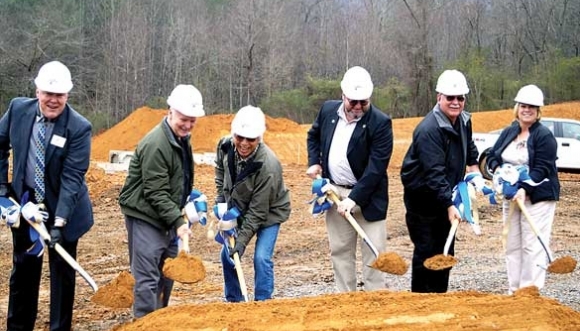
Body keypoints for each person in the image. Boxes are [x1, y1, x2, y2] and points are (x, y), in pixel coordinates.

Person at [0, 60, 94, 331]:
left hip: (64, 207)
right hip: (26, 206)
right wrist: (3, 191)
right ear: (37, 90)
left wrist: (59, 224)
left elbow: (71, 179)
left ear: (68, 95)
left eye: (60, 94)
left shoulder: (78, 127)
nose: (53, 100)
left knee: (62, 274)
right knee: (24, 270)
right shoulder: (18, 110)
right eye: (47, 93)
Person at [119, 84, 205, 318]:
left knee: (167, 272)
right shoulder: (156, 143)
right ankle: (144, 328)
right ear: (170, 111)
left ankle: (158, 320)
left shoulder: (180, 138)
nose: (187, 125)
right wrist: (178, 221)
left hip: (166, 213)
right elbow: (155, 191)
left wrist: (186, 200)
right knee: (147, 276)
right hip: (146, 215)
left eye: (192, 120)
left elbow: (177, 177)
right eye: (183, 119)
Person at [306, 66, 393, 292]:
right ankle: (345, 298)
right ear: (343, 95)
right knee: (340, 250)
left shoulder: (380, 123)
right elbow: (313, 135)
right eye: (353, 101)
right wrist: (314, 161)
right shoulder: (328, 111)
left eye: (362, 102)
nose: (357, 107)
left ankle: (374, 300)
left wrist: (354, 199)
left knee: (374, 251)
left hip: (368, 197)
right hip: (335, 193)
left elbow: (376, 168)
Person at [400, 69, 481, 293]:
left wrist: (474, 169)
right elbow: (434, 173)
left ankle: (439, 297)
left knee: (446, 252)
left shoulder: (464, 120)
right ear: (439, 98)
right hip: (423, 199)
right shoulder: (429, 130)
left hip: (446, 193)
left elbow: (469, 146)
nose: (455, 102)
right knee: (427, 251)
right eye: (450, 98)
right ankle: (421, 300)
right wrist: (449, 205)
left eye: (460, 98)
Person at [486, 85, 559, 294]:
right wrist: (499, 171)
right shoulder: (510, 131)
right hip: (511, 197)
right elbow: (492, 156)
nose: (527, 110)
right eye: (523, 105)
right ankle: (514, 290)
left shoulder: (543, 136)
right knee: (512, 244)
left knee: (531, 244)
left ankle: (529, 291)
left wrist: (525, 188)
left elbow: (543, 168)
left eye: (532, 107)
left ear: (538, 111)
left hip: (537, 198)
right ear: (517, 107)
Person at [214, 105, 291, 302]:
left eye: (251, 139)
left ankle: (263, 302)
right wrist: (222, 200)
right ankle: (234, 300)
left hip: (269, 211)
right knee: (227, 255)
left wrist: (241, 242)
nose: (244, 143)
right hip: (239, 206)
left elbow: (258, 212)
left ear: (260, 138)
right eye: (239, 137)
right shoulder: (225, 146)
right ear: (233, 134)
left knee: (261, 258)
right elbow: (220, 171)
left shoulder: (268, 166)